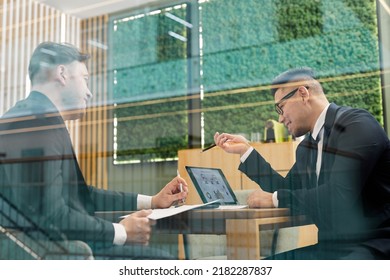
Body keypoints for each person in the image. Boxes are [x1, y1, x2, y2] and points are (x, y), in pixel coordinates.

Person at [0, 42, 188, 259]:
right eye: (85, 79)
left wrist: (152, 201)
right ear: (62, 73)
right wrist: (122, 231)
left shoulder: (32, 116)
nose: (89, 93)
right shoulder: (38, 123)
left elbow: (80, 195)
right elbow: (52, 216)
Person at [214, 67, 390, 259]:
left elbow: (338, 195)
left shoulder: (357, 125)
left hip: (373, 245)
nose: (280, 118)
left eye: (280, 107)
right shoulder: (306, 148)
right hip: (330, 248)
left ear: (303, 94)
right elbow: (286, 188)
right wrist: (246, 151)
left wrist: (275, 199)